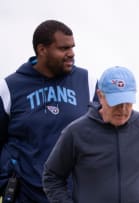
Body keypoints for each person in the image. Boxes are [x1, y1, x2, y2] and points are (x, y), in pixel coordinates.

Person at [42, 66, 139, 203]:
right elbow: (52, 177)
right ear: (100, 96)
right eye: (117, 103)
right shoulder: (76, 132)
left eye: (128, 103)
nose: (123, 110)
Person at [0, 20, 98, 202]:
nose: (71, 54)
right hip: (26, 196)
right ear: (42, 50)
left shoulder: (88, 83)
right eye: (63, 48)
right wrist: (6, 182)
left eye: (72, 47)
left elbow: (106, 136)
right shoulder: (9, 88)